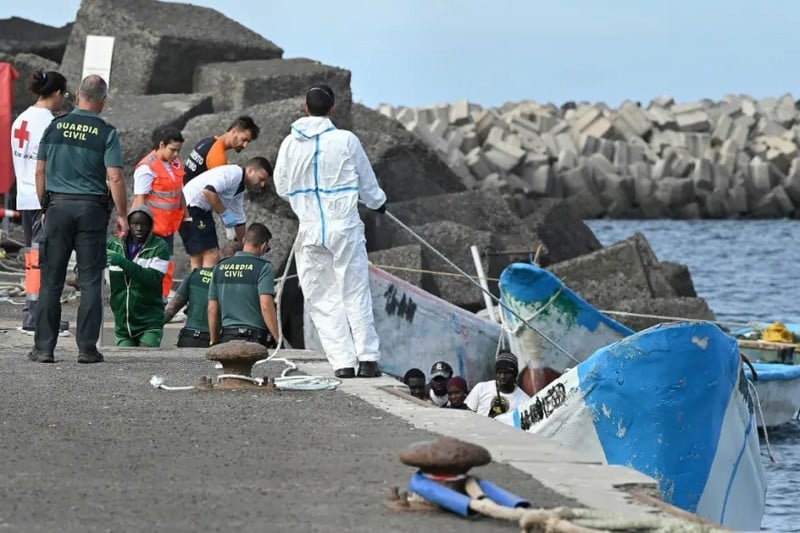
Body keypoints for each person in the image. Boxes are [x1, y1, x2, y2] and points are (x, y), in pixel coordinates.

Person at [273, 84, 387, 379]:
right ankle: (368, 358)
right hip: (345, 226)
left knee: (322, 297)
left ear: (304, 106)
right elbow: (368, 183)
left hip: (310, 231)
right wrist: (378, 203)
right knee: (355, 291)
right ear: (332, 108)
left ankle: (342, 363)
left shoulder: (289, 144)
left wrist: (305, 200)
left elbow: (282, 187)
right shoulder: (347, 140)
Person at [27, 74, 128, 364]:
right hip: (91, 211)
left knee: (51, 281)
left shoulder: (54, 127)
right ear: (103, 101)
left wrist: (45, 207)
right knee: (91, 281)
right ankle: (87, 349)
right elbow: (115, 177)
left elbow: (39, 172)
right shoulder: (106, 132)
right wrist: (122, 214)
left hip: (57, 207)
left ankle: (44, 348)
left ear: (77, 95)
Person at [10, 68, 69, 332]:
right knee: (45, 261)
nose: (64, 99)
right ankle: (37, 316)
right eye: (64, 94)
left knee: (34, 260)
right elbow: (51, 166)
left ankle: (33, 313)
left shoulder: (21, 119)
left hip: (24, 197)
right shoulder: (48, 122)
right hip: (43, 200)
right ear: (56, 94)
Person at [179, 157, 271, 270]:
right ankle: (204, 286)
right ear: (250, 170)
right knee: (211, 254)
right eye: (261, 179)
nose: (262, 184)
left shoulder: (239, 189)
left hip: (196, 208)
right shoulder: (234, 173)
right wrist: (224, 213)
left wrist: (244, 247)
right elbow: (208, 191)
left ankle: (195, 285)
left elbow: (239, 220)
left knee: (198, 256)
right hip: (192, 205)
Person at [132, 126, 186, 300]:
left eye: (178, 150)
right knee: (148, 266)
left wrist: (187, 215)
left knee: (165, 265)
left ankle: (161, 300)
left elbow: (179, 191)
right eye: (173, 150)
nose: (176, 154)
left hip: (168, 226)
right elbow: (140, 200)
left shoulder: (175, 164)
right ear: (161, 145)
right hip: (152, 229)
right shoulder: (147, 168)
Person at [106, 206, 170, 347]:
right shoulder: (113, 244)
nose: (139, 228)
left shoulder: (160, 247)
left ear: (151, 225)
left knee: (145, 363)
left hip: (149, 322)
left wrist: (122, 262)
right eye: (135, 224)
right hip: (123, 324)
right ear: (127, 224)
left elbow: (152, 278)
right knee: (126, 364)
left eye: (143, 224)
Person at [207, 223, 279, 347]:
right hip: (255, 338)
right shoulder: (264, 267)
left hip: (227, 337)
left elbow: (212, 309)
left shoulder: (220, 267)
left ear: (244, 240)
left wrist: (214, 341)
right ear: (264, 246)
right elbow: (266, 305)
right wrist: (279, 339)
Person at [164, 242, 241, 348]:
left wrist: (152, 329)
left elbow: (170, 310)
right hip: (222, 341)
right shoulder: (239, 282)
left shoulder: (195, 275)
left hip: (190, 339)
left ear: (220, 255)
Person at [183, 115, 260, 184]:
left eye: (248, 142)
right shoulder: (218, 156)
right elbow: (212, 191)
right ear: (234, 131)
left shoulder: (207, 141)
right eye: (244, 139)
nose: (245, 145)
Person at [465, 352, 531, 417]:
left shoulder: (525, 401)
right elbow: (467, 416)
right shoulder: (481, 388)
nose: (502, 376)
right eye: (499, 372)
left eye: (506, 373)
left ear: (515, 374)